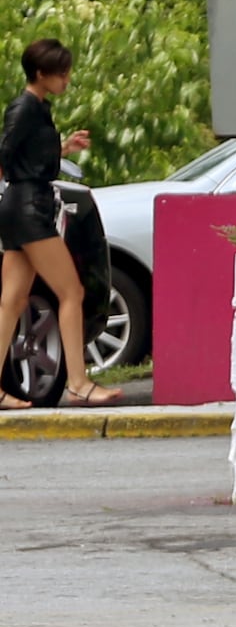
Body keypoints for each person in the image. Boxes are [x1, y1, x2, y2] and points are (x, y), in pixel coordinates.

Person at [0, 38, 107, 407]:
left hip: (26, 204)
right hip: (28, 207)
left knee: (12, 301)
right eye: (61, 73)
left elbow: (27, 156)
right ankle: (78, 382)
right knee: (71, 292)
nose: (67, 79)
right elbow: (6, 153)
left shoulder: (39, 108)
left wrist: (63, 149)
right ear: (41, 74)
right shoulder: (24, 107)